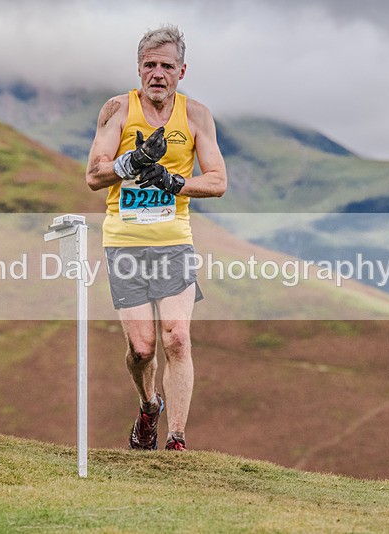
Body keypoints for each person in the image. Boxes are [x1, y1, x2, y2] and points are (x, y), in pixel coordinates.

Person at [85, 25, 227, 451]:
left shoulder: (197, 115)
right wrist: (132, 163)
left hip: (173, 240)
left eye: (167, 66)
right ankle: (149, 407)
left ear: (182, 71)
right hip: (125, 240)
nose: (158, 73)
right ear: (139, 69)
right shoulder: (118, 109)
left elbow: (218, 181)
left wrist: (172, 181)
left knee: (176, 337)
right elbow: (94, 174)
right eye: (150, 65)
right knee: (143, 349)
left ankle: (177, 440)